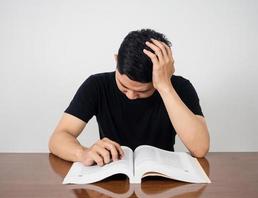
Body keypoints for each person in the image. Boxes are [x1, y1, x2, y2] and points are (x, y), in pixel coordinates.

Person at [48, 29, 210, 167]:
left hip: (161, 179)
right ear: (116, 60)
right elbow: (59, 137)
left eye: (142, 91)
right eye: (124, 87)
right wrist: (82, 153)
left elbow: (200, 148)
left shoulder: (179, 87)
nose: (131, 96)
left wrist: (165, 87)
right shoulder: (97, 85)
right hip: (112, 176)